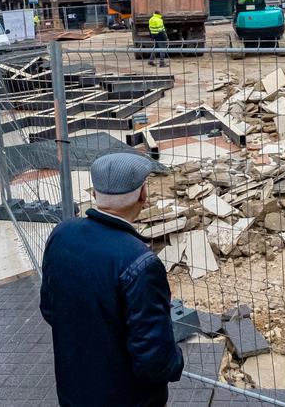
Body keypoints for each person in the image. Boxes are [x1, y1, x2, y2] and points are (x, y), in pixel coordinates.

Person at [40, 152, 184, 407]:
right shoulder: (140, 262)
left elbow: (49, 309)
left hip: (73, 389)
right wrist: (176, 361)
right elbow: (154, 360)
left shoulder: (62, 234)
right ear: (143, 194)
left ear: (95, 194)